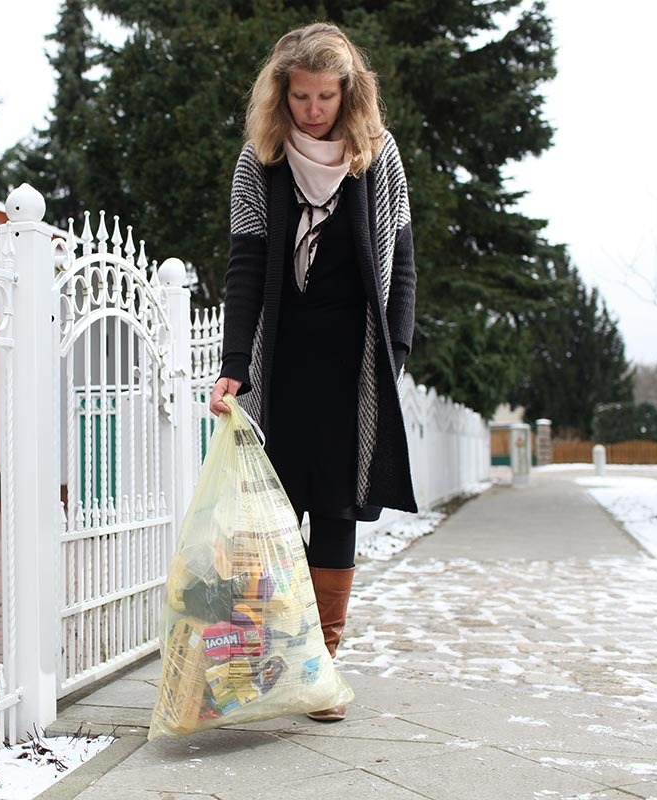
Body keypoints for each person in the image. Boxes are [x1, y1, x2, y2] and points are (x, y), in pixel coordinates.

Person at [209, 22, 418, 722]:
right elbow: (243, 267)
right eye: (301, 96)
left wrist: (396, 352)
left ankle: (322, 666)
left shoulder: (377, 156)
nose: (313, 110)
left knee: (334, 509)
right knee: (268, 516)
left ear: (347, 92)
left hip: (351, 367)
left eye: (326, 96)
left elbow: (405, 262)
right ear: (283, 92)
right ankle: (267, 662)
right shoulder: (258, 159)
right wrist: (234, 365)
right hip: (282, 364)